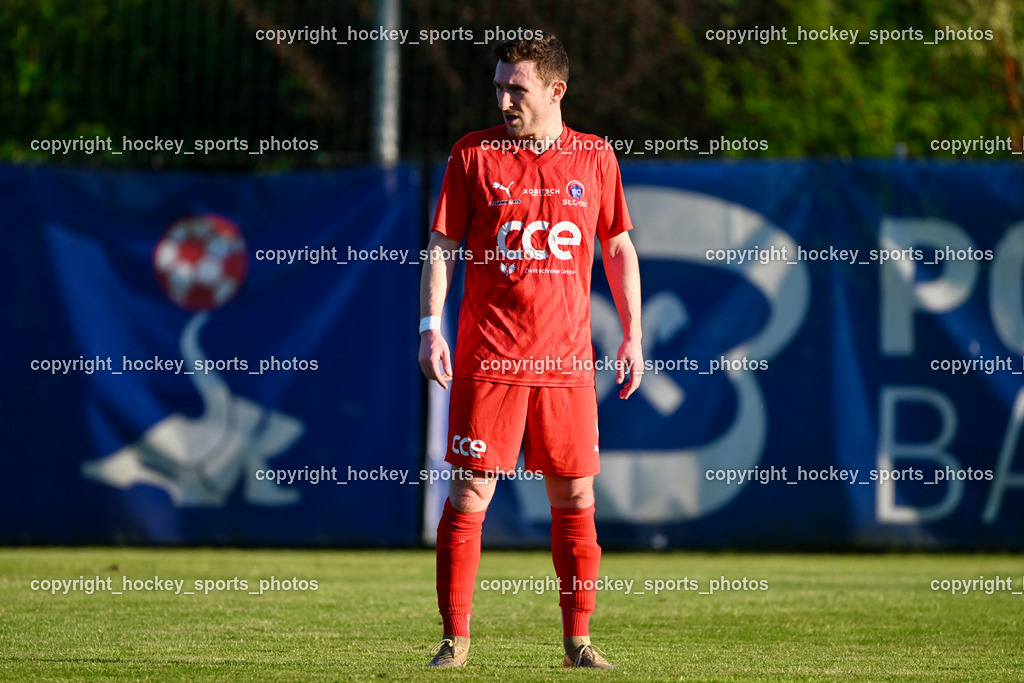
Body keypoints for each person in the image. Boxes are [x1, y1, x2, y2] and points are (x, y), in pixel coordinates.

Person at [417, 32, 642, 669]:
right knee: (468, 499)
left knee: (575, 502)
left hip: (568, 365)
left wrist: (633, 333)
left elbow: (618, 246)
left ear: (555, 90)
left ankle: (578, 644)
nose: (504, 98)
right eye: (499, 86)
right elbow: (442, 245)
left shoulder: (596, 158)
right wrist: (430, 326)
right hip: (489, 358)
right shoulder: (473, 155)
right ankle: (454, 641)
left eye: (517, 87)